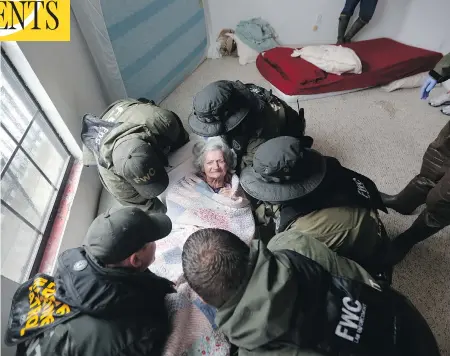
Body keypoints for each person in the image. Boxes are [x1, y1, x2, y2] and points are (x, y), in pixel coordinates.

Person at [182, 228, 440, 356]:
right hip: (407, 323)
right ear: (247, 246)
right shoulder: (291, 242)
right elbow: (355, 274)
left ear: (203, 299)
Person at [5, 207, 175, 356]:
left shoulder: (80, 269)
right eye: (152, 241)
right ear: (135, 260)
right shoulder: (139, 330)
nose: (156, 243)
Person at [240, 136, 389, 273]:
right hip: (362, 210)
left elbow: (287, 266)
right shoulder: (322, 166)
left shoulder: (303, 229)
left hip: (367, 248)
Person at [81, 98, 189, 214]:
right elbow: (148, 208)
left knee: (176, 139)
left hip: (122, 109)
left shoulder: (162, 120)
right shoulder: (115, 182)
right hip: (98, 135)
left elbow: (182, 138)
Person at [188, 80, 310, 172]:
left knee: (256, 172)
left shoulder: (261, 131)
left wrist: (230, 169)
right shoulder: (234, 96)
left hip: (280, 132)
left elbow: (250, 164)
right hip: (263, 124)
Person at [160, 137, 255, 249]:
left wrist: (231, 199)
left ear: (227, 164)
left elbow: (242, 219)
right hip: (191, 236)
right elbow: (174, 201)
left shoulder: (234, 187)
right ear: (202, 166)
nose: (215, 167)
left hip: (221, 242)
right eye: (210, 162)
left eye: (220, 161)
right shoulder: (190, 184)